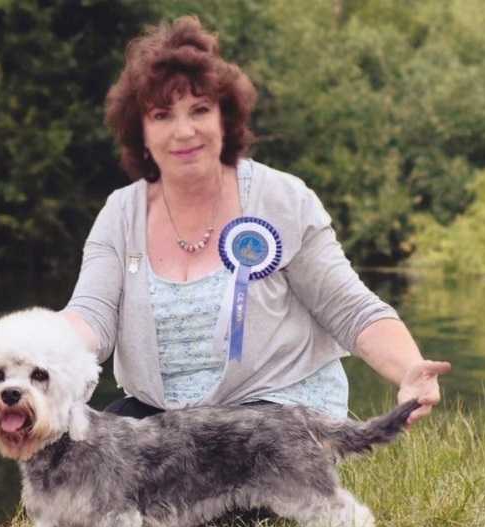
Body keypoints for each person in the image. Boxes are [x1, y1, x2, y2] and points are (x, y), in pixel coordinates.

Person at [62, 16, 450, 423]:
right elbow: (91, 315)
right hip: (168, 424)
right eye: (162, 115)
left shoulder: (283, 198)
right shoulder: (119, 213)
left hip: (280, 412)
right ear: (139, 130)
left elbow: (349, 308)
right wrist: (32, 347)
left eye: (199, 110)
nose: (184, 131)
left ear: (224, 119)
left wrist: (409, 368)